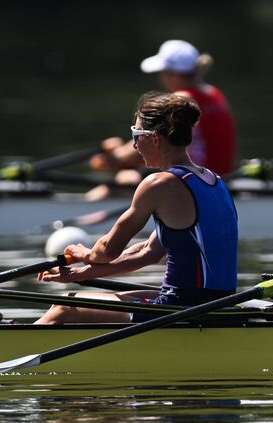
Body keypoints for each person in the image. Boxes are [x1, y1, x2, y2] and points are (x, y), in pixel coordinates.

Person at [35, 92, 237, 324]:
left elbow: (108, 249)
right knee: (88, 298)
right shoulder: (215, 180)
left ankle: (2, 357)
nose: (133, 145)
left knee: (65, 306)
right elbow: (147, 252)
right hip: (216, 303)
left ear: (155, 139)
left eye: (135, 135)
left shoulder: (159, 184)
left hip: (185, 308)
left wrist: (86, 255)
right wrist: (81, 274)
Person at [92, 39, 237, 193]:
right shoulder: (215, 95)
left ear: (172, 74)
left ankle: (85, 209)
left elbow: (138, 148)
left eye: (163, 73)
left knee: (126, 177)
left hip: (192, 182)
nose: (162, 79)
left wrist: (112, 154)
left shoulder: (180, 102)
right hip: (219, 180)